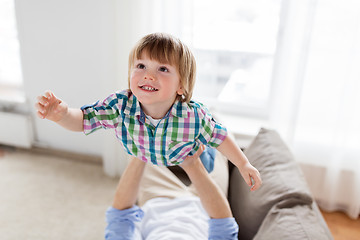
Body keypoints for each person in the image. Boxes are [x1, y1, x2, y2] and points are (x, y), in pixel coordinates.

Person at [35, 32, 261, 191]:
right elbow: (85, 120)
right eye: (141, 66)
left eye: (162, 69)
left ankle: (213, 122)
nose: (148, 75)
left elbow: (220, 138)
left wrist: (243, 164)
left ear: (181, 86)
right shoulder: (119, 105)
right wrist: (62, 115)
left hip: (188, 151)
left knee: (211, 146)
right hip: (151, 152)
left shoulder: (192, 117)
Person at [105, 145, 239, 239]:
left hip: (157, 197)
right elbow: (224, 227)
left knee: (134, 146)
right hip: (207, 206)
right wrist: (193, 166)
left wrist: (141, 151)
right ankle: (212, 113)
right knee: (221, 141)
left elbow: (120, 218)